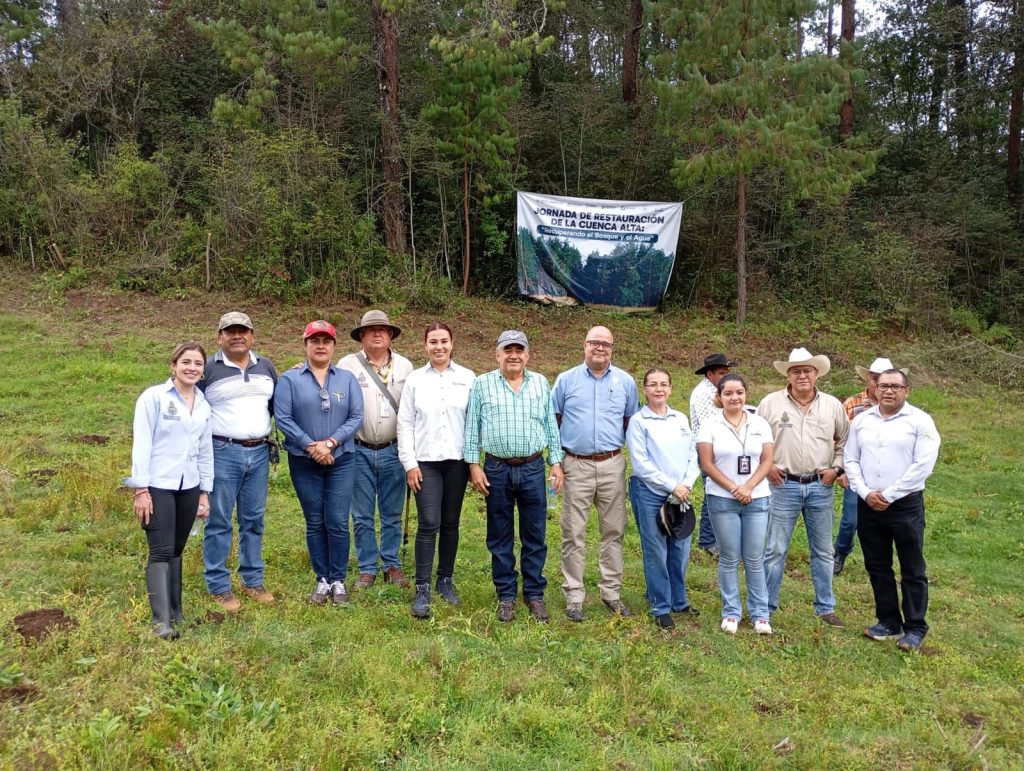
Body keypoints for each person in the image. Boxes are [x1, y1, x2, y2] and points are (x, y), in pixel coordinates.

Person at [463, 330, 564, 623]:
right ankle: (506, 594)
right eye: (508, 349)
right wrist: (474, 465)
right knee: (500, 535)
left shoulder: (541, 384)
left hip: (533, 468)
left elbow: (550, 425)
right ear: (497, 354)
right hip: (496, 468)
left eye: (519, 350)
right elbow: (472, 426)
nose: (514, 355)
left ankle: (534, 594)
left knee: (535, 534)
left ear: (528, 355)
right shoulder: (482, 385)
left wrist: (555, 463)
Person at [846, 369, 940, 653]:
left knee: (912, 567)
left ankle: (915, 627)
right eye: (883, 385)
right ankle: (888, 621)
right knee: (877, 565)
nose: (888, 391)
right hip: (869, 503)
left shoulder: (920, 421)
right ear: (875, 388)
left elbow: (923, 465)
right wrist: (865, 492)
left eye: (895, 386)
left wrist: (888, 494)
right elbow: (850, 459)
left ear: (906, 391)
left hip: (904, 504)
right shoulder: (862, 421)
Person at [551, 326, 640, 621]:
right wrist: (557, 461)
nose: (600, 348)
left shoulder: (625, 382)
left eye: (606, 344)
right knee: (573, 532)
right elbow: (554, 420)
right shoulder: (566, 380)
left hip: (612, 464)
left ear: (612, 348)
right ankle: (574, 595)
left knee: (613, 530)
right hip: (575, 464)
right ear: (584, 345)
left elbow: (631, 422)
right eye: (594, 343)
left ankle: (611, 593)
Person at [756, 347, 849, 627]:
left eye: (807, 370)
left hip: (820, 486)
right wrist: (767, 466)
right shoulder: (770, 404)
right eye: (796, 371)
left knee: (822, 550)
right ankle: (766, 606)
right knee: (774, 549)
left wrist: (837, 469)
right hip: (783, 485)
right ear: (788, 374)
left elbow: (845, 441)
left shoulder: (832, 405)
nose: (802, 376)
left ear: (816, 373)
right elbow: (753, 438)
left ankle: (825, 607)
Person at [127, 342, 213, 639]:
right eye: (186, 362)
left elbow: (205, 450)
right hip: (158, 486)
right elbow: (142, 444)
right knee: (161, 550)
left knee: (177, 550)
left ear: (203, 371)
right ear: (173, 366)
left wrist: (204, 491)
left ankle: (176, 612)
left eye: (198, 363)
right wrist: (141, 489)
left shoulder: (203, 404)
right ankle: (160, 621)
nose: (192, 368)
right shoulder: (154, 398)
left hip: (189, 486)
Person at [275, 321, 364, 605]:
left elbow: (356, 416)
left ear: (334, 346)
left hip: (341, 459)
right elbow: (284, 418)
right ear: (305, 345)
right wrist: (310, 445)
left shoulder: (347, 379)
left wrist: (330, 443)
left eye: (327, 341)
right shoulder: (290, 380)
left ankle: (338, 579)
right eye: (315, 340)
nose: (321, 345)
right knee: (315, 521)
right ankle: (322, 580)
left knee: (337, 521)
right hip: (304, 460)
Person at [199, 311, 279, 613]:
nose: (237, 336)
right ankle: (219, 585)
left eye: (242, 330)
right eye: (229, 331)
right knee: (219, 520)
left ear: (252, 335)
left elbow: (276, 405)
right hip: (223, 452)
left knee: (253, 520)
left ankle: (252, 580)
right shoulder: (208, 369)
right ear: (220, 337)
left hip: (258, 453)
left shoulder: (267, 367)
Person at [397, 322, 475, 619]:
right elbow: (404, 423)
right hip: (425, 463)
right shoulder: (415, 380)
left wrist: (473, 462)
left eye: (444, 341)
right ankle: (422, 587)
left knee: (451, 523)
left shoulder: (468, 378)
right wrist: (410, 463)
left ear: (452, 343)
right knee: (429, 522)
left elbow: (474, 422)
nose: (439, 347)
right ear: (425, 345)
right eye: (433, 342)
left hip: (457, 462)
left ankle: (445, 579)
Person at [338, 310, 414, 589]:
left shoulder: (406, 366)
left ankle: (392, 564)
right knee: (361, 514)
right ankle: (367, 567)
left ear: (391, 334)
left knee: (392, 513)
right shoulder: (347, 365)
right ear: (362, 336)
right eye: (371, 330)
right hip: (358, 450)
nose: (378, 334)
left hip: (394, 450)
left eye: (383, 329)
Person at [696, 374, 775, 635]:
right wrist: (734, 488)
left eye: (739, 392)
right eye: (728, 393)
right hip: (722, 499)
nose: (734, 398)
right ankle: (731, 612)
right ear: (719, 397)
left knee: (754, 558)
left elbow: (766, 460)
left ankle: (760, 615)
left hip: (757, 497)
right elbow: (706, 463)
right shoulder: (710, 424)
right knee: (729, 557)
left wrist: (749, 487)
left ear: (746, 394)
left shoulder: (760, 423)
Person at [625, 368, 700, 629]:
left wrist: (686, 483)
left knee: (680, 547)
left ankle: (679, 600)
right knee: (656, 549)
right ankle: (660, 605)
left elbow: (693, 455)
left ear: (671, 388)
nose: (659, 389)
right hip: (649, 492)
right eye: (653, 384)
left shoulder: (680, 419)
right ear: (644, 389)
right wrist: (672, 485)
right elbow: (641, 463)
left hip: (681, 493)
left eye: (664, 384)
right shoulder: (639, 421)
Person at [833, 357, 899, 576]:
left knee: (892, 521)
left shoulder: (898, 407)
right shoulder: (852, 404)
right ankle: (840, 554)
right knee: (850, 521)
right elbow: (839, 438)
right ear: (869, 380)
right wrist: (840, 470)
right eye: (875, 378)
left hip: (890, 474)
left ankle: (883, 562)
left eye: (883, 379)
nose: (878, 384)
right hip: (857, 473)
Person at [689, 353, 737, 558]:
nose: (725, 377)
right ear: (710, 374)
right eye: (722, 373)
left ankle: (716, 538)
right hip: (709, 450)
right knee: (713, 491)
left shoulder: (717, 391)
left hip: (721, 450)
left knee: (721, 492)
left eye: (727, 373)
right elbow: (715, 423)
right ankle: (708, 540)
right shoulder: (703, 395)